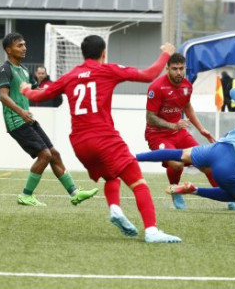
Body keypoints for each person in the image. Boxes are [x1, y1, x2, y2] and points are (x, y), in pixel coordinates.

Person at [22, 35, 181, 243]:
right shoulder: (107, 70)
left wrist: (25, 88)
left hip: (80, 143)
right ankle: (151, 230)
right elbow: (149, 74)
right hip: (103, 138)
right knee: (138, 182)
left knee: (111, 176)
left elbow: (38, 96)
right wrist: (166, 54)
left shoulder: (71, 76)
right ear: (104, 53)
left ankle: (115, 208)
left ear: (82, 53)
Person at [136, 89, 235, 206]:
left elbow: (234, 91)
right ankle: (193, 190)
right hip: (230, 167)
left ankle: (134, 157)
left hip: (218, 148)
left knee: (179, 154)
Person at [0, 32, 98, 207]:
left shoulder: (24, 70)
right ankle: (26, 195)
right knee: (45, 155)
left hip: (27, 119)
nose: (24, 48)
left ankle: (74, 193)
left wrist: (65, 88)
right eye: (19, 45)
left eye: (24, 44)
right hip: (16, 121)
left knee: (54, 154)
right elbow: (3, 96)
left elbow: (39, 92)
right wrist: (21, 111)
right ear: (8, 50)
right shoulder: (5, 70)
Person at [145, 53, 235, 211]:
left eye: (181, 68)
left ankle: (229, 198)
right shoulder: (156, 87)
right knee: (177, 164)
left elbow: (187, 107)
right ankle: (175, 189)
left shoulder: (187, 86)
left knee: (207, 163)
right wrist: (172, 126)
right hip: (157, 135)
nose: (178, 72)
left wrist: (202, 129)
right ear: (167, 69)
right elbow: (150, 117)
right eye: (174, 69)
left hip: (179, 132)